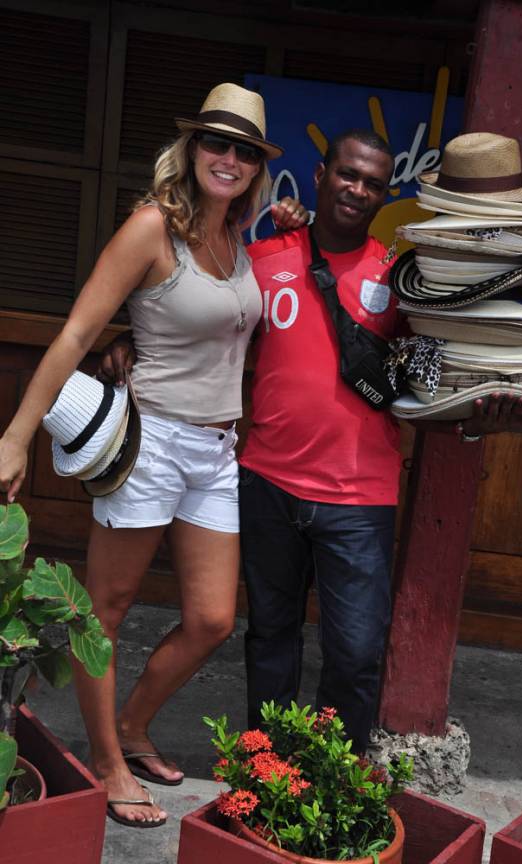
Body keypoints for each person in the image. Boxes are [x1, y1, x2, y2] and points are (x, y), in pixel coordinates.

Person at [100, 128, 522, 758]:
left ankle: (333, 780)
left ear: (385, 195)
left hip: (361, 497)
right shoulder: (260, 258)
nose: (357, 189)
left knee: (355, 652)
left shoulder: (401, 280)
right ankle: (264, 771)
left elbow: (427, 387)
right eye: (347, 174)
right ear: (322, 175)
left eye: (373, 183)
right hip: (266, 482)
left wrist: (476, 417)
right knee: (270, 638)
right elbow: (199, 318)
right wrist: (129, 340)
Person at [0, 82, 306, 828]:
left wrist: (290, 227)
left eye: (245, 150)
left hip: (217, 449)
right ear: (192, 148)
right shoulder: (151, 228)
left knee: (212, 618)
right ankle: (107, 762)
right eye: (217, 143)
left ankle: (132, 725)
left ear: (257, 165)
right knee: (105, 610)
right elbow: (77, 333)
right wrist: (15, 435)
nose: (229, 158)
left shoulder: (239, 234)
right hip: (151, 444)